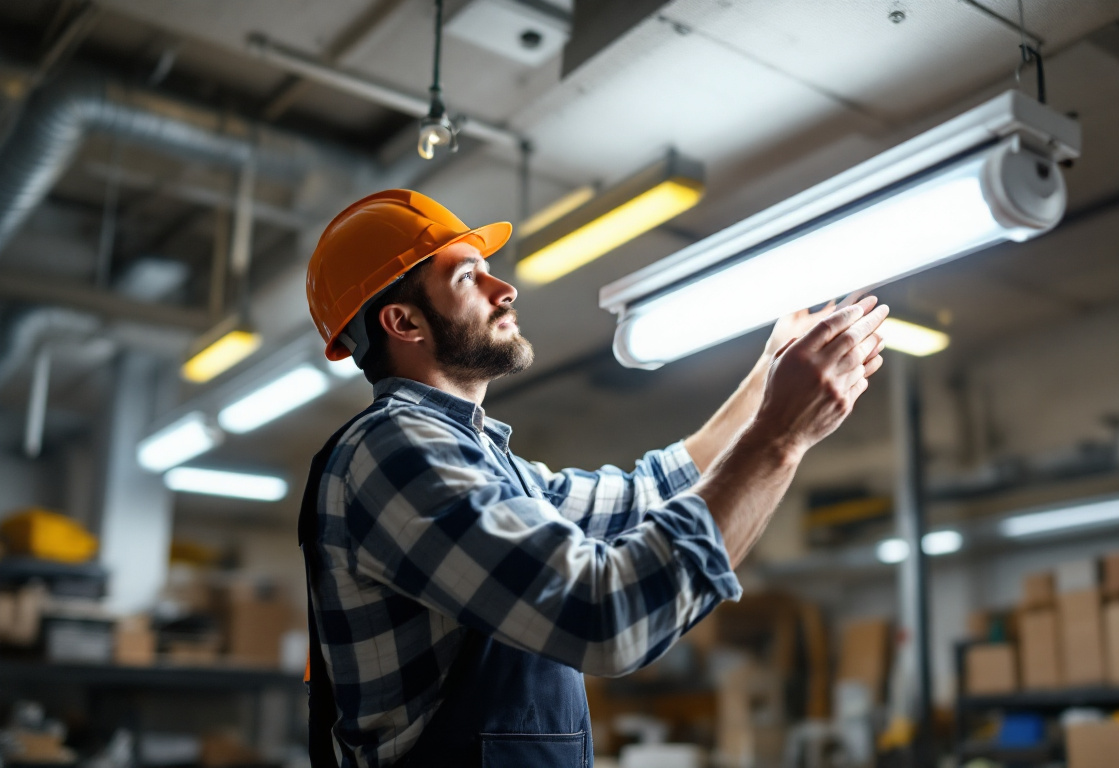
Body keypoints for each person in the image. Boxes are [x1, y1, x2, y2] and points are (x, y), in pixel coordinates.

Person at [301, 189, 888, 768]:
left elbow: (646, 498)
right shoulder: (394, 452)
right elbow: (606, 615)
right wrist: (780, 438)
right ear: (403, 322)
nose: (503, 289)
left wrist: (769, 378)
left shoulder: (482, 460)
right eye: (467, 278)